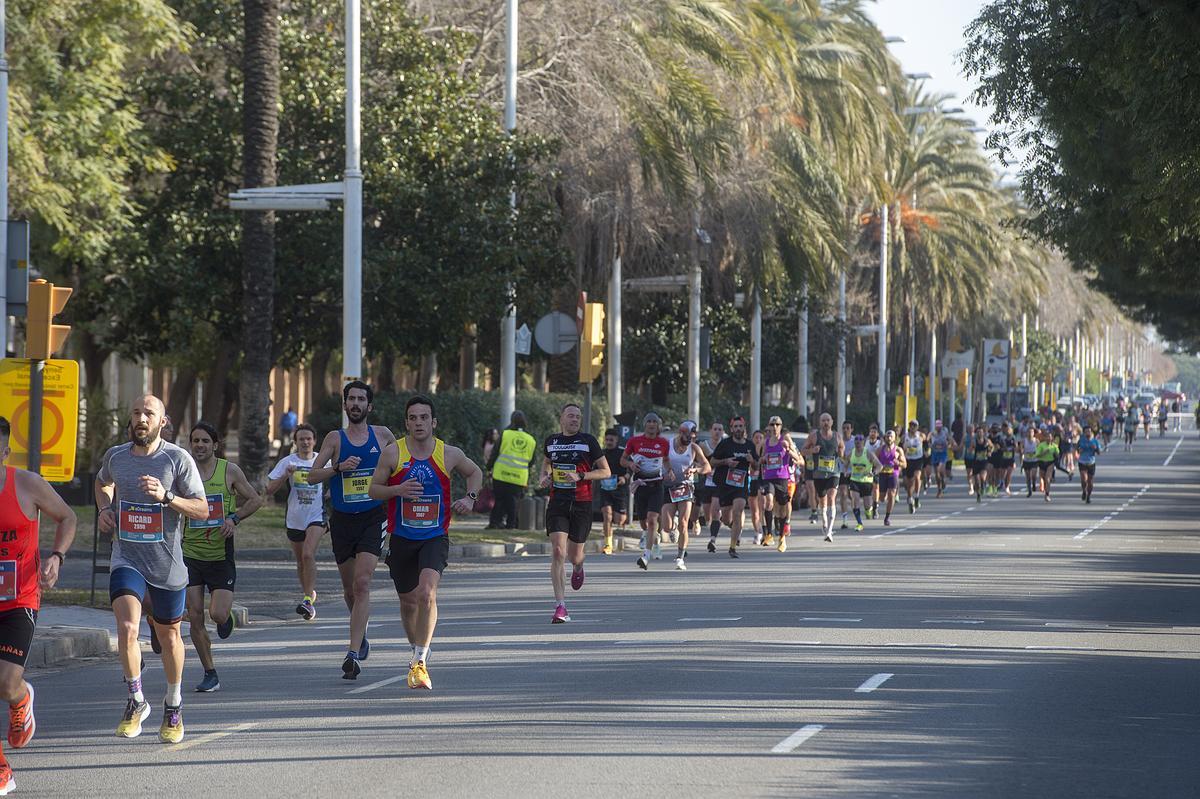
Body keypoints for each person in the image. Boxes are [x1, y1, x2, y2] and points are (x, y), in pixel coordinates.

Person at [97, 395, 208, 743]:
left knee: (169, 636)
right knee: (128, 626)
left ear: (163, 422)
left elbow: (203, 509)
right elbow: (103, 483)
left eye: (149, 413)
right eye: (136, 413)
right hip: (126, 557)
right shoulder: (116, 456)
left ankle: (173, 704)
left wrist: (167, 497)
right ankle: (135, 699)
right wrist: (104, 509)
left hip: (166, 565)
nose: (141, 418)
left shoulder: (177, 459)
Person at [368, 395, 482, 690]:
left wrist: (470, 498)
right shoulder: (394, 453)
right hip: (402, 537)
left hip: (434, 536)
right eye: (413, 418)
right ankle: (417, 648)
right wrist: (398, 489)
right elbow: (373, 490)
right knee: (408, 602)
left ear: (433, 422)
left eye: (423, 418)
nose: (418, 422)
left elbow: (475, 473)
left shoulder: (449, 453)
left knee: (427, 593)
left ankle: (420, 661)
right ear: (406, 422)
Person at [0, 416, 76, 794]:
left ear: (5, 452)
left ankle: (22, 697)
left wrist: (56, 557)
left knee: (5, 682)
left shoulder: (26, 485)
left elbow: (68, 516)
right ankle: (1, 771)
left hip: (20, 597)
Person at [307, 381, 397, 680]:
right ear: (345, 405)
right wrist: (338, 468)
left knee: (362, 584)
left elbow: (401, 465)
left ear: (369, 406)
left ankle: (352, 651)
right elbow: (311, 476)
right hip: (343, 520)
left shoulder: (383, 435)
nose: (356, 404)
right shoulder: (335, 438)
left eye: (361, 399)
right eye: (351, 399)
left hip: (374, 516)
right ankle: (361, 632)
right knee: (349, 589)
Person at [183, 422, 262, 693]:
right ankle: (210, 673)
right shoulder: (183, 472)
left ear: (215, 444)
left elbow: (255, 500)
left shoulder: (229, 471)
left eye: (205, 441)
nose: (200, 446)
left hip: (220, 555)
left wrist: (234, 518)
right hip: (189, 554)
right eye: (195, 441)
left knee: (216, 613)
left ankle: (224, 619)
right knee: (194, 616)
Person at [540, 403, 610, 623]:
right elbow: (546, 465)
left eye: (578, 417)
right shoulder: (551, 441)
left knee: (573, 556)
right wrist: (545, 477)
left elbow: (605, 471)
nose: (574, 420)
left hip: (581, 503)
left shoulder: (588, 441)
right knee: (558, 552)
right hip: (558, 502)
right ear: (561, 418)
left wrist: (582, 476)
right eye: (570, 416)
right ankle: (561, 606)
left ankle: (579, 566)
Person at [266, 422, 326, 621]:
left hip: (317, 516)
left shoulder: (321, 461)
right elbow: (269, 489)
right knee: (301, 561)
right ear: (296, 442)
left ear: (315, 441)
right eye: (301, 439)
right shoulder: (287, 462)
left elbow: (336, 477)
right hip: (294, 518)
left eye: (309, 439)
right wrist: (286, 475)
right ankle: (308, 593)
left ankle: (308, 600)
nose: (305, 442)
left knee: (308, 554)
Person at [657, 421, 711, 570]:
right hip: (669, 486)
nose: (689, 440)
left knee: (684, 523)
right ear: (680, 433)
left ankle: (680, 558)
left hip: (685, 487)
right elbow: (661, 460)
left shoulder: (693, 448)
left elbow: (707, 466)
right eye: (686, 437)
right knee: (666, 527)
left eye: (692, 437)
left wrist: (695, 470)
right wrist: (668, 471)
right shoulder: (668, 445)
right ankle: (672, 525)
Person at [621, 413, 670, 562]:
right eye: (649, 421)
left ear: (658, 425)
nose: (651, 424)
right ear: (645, 425)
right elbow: (622, 459)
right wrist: (630, 464)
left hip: (657, 485)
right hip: (641, 486)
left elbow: (666, 460)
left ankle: (646, 555)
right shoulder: (634, 441)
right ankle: (653, 542)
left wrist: (670, 471)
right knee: (643, 522)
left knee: (652, 519)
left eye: (654, 421)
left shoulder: (663, 442)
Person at [707, 416, 757, 558]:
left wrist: (752, 460)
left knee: (738, 511)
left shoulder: (749, 445)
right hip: (725, 485)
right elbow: (712, 461)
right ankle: (734, 527)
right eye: (735, 427)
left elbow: (757, 465)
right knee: (728, 519)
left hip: (740, 486)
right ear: (731, 429)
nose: (738, 429)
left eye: (740, 426)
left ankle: (732, 547)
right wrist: (725, 461)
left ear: (744, 428)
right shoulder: (725, 444)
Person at [486, 411, 536, 530]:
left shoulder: (505, 434)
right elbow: (532, 461)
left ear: (512, 421)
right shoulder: (531, 439)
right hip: (519, 476)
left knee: (499, 500)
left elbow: (495, 452)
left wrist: (489, 466)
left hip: (501, 474)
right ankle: (511, 524)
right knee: (513, 502)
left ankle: (495, 523)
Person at [761, 416, 802, 551]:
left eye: (777, 424)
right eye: (772, 424)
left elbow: (797, 459)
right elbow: (760, 459)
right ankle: (768, 534)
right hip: (768, 477)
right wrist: (763, 459)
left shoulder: (785, 441)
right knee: (768, 502)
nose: (774, 427)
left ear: (780, 426)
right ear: (768, 426)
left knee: (783, 508)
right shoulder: (765, 442)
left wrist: (788, 450)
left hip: (782, 478)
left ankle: (782, 537)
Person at [803, 413, 844, 542]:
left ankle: (829, 531)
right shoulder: (814, 436)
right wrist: (812, 451)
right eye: (823, 420)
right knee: (822, 501)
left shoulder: (837, 436)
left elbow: (842, 448)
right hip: (819, 474)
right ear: (820, 423)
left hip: (834, 472)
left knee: (832, 497)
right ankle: (824, 521)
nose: (825, 423)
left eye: (828, 420)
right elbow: (802, 450)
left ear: (832, 422)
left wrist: (841, 452)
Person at [597, 429, 629, 555]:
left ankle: (620, 521)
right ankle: (608, 544)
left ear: (616, 441)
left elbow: (630, 470)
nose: (609, 442)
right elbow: (594, 469)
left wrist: (624, 478)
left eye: (612, 440)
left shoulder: (623, 453)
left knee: (619, 520)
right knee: (607, 515)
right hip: (605, 489)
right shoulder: (601, 454)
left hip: (620, 489)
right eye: (607, 440)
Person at [844, 434, 881, 531]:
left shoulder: (868, 453)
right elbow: (846, 463)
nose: (858, 442)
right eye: (856, 441)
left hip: (866, 482)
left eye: (860, 441)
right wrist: (845, 471)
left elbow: (879, 466)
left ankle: (869, 511)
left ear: (863, 442)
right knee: (855, 500)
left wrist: (873, 473)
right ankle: (859, 523)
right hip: (854, 480)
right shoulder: (851, 453)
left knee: (867, 505)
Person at [698, 422, 726, 546]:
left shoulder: (726, 445)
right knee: (708, 515)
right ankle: (719, 521)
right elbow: (696, 462)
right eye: (715, 429)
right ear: (711, 431)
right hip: (707, 482)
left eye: (720, 429)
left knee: (715, 512)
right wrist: (704, 469)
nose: (717, 431)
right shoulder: (703, 445)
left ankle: (713, 540)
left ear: (723, 432)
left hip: (720, 484)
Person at [875, 430, 906, 526]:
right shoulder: (880, 449)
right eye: (887, 436)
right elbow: (873, 461)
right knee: (881, 497)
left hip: (893, 474)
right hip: (883, 474)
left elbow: (905, 465)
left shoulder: (898, 450)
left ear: (894, 438)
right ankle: (876, 504)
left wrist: (899, 463)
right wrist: (876, 467)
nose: (889, 438)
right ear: (884, 438)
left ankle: (887, 517)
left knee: (891, 494)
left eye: (891, 436)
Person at [902, 421, 924, 513]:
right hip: (908, 460)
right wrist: (904, 450)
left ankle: (917, 496)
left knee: (917, 476)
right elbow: (900, 447)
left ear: (917, 427)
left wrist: (927, 450)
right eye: (911, 425)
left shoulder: (921, 436)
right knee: (909, 483)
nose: (913, 427)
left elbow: (927, 443)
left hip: (918, 459)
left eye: (914, 426)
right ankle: (910, 498)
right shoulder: (904, 437)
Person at [928, 420, 954, 498]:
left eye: (940, 426)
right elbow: (927, 440)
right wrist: (930, 445)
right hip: (935, 454)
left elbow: (951, 441)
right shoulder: (932, 434)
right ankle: (939, 489)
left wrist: (948, 445)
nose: (938, 427)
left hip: (942, 454)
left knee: (941, 470)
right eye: (937, 426)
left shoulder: (945, 433)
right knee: (937, 474)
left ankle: (943, 483)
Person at [970, 426, 993, 503]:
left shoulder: (987, 441)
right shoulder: (974, 441)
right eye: (978, 432)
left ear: (983, 433)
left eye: (981, 432)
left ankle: (983, 485)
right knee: (976, 481)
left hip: (984, 462)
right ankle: (978, 494)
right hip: (976, 462)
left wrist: (989, 451)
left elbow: (992, 446)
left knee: (982, 477)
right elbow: (970, 450)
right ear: (976, 433)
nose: (980, 433)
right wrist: (972, 450)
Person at [1035, 430, 1060, 502]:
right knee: (1044, 479)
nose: (1048, 439)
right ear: (1045, 438)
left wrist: (1056, 455)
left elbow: (1058, 455)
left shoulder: (1054, 446)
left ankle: (1047, 494)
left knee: (1047, 479)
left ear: (1052, 438)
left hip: (1050, 463)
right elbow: (1037, 455)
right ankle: (1046, 490)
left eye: (1050, 437)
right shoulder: (1041, 445)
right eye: (1047, 437)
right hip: (1042, 463)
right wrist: (1044, 453)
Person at [1019, 423, 1040, 497]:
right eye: (1029, 432)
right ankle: (1029, 491)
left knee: (1033, 475)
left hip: (1034, 461)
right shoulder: (1023, 441)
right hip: (1026, 461)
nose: (1030, 433)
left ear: (1034, 433)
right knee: (1028, 477)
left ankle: (1034, 483)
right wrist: (1021, 452)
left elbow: (1040, 450)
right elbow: (1021, 451)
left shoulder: (1036, 441)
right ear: (1026, 433)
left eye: (1031, 432)